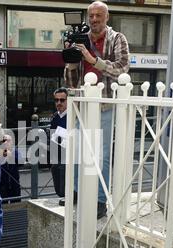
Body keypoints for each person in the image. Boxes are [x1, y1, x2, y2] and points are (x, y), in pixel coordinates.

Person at [64, 0, 130, 219]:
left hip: (105, 105)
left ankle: (100, 200)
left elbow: (122, 68)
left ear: (107, 17)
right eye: (91, 15)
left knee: (100, 156)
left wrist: (94, 60)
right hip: (83, 103)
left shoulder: (117, 39)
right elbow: (72, 83)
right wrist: (72, 63)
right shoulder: (80, 39)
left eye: (98, 15)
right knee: (78, 153)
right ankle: (76, 191)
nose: (94, 19)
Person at [50, 88, 68, 204]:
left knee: (65, 182)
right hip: (56, 154)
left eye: (62, 100)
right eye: (56, 100)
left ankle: (68, 197)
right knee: (58, 181)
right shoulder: (55, 116)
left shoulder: (74, 116)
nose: (59, 103)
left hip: (69, 156)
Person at [0, 134, 22, 203]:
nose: (6, 142)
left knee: (16, 204)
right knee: (3, 205)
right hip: (3, 184)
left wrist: (11, 156)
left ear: (12, 142)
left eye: (8, 141)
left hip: (14, 183)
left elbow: (21, 162)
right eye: (4, 141)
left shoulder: (16, 151)